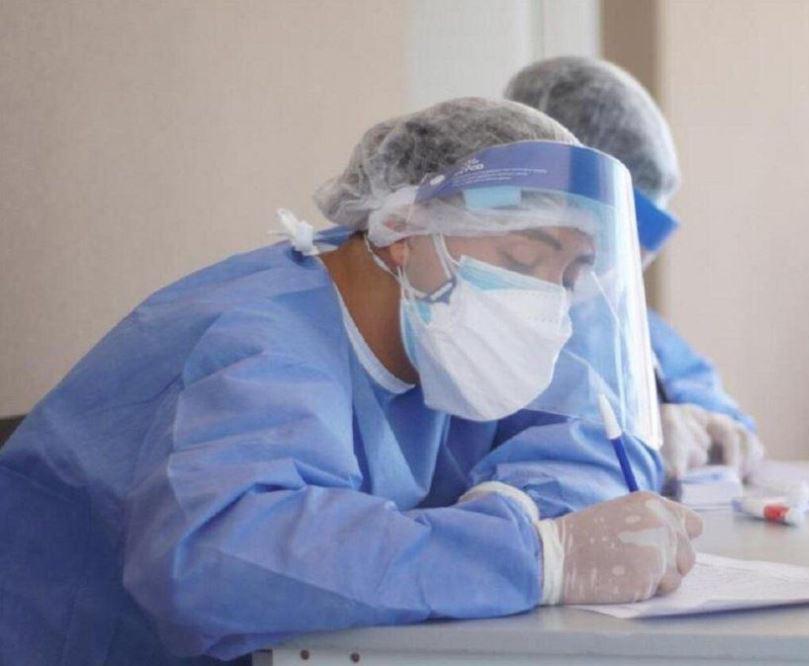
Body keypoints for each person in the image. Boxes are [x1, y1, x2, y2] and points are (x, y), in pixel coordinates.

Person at [0, 97, 702, 666]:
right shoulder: (260, 341)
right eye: (522, 258)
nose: (546, 302)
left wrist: (518, 506)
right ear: (401, 230)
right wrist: (535, 556)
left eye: (570, 276)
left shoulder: (443, 335)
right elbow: (219, 562)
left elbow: (594, 439)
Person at [506, 57, 764, 481]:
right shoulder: (481, 318)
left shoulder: (622, 316)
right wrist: (633, 442)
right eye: (626, 224)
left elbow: (718, 412)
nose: (639, 252)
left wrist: (709, 428)